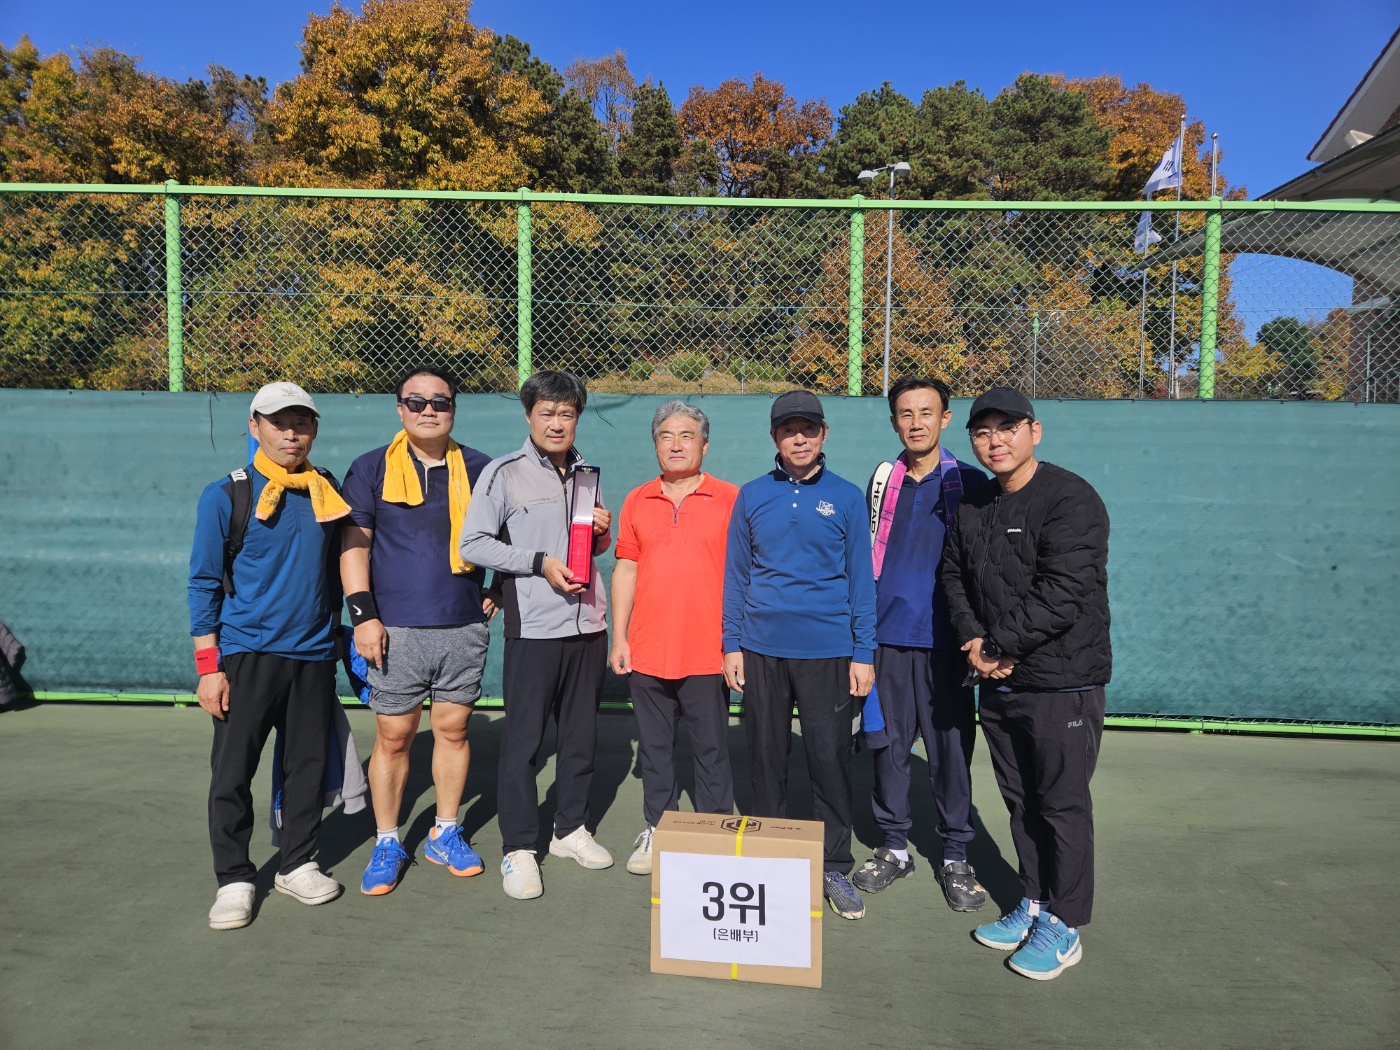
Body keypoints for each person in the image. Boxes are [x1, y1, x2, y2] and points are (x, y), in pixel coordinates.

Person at [941, 386, 1111, 981]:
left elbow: (1064, 590)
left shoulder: (1071, 498)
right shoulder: (973, 503)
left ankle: (1065, 924)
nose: (995, 440)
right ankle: (1035, 899)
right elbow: (954, 576)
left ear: (1033, 432)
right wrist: (975, 642)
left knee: (1061, 803)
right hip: (998, 680)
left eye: (1007, 428)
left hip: (1062, 681)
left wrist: (997, 647)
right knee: (1020, 801)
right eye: (983, 431)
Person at [188, 382, 351, 931]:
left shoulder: (326, 490)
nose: (291, 433)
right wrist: (209, 670)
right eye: (279, 422)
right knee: (232, 772)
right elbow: (203, 584)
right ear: (254, 426)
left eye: (302, 422)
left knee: (306, 768)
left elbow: (334, 572)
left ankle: (297, 862)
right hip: (245, 656)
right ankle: (234, 878)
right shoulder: (225, 495)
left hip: (312, 656)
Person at [339, 365, 497, 896]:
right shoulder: (369, 468)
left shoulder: (481, 469)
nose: (429, 409)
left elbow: (506, 538)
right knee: (394, 736)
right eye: (416, 401)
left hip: (462, 626)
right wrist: (364, 615)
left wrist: (497, 585)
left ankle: (444, 833)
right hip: (393, 630)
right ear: (399, 408)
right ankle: (388, 840)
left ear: (454, 407)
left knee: (453, 731)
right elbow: (354, 546)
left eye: (441, 401)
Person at [722, 389, 877, 920]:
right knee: (766, 758)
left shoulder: (848, 497)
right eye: (789, 429)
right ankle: (770, 856)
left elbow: (862, 579)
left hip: (829, 651)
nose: (800, 438)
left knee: (829, 758)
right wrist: (731, 644)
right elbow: (736, 576)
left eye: (808, 429)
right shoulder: (751, 496)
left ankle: (832, 862)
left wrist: (863, 651)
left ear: (823, 434)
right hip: (761, 650)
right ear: (774, 438)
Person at [458, 370, 613, 900]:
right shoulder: (503, 474)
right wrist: (537, 563)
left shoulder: (588, 474)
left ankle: (569, 829)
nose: (557, 422)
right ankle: (520, 849)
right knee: (523, 742)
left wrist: (602, 535)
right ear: (529, 416)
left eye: (566, 413)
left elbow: (588, 552)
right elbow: (472, 544)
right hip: (535, 629)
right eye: (547, 413)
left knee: (581, 738)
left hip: (588, 625)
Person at [853, 376, 989, 912]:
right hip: (886, 643)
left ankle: (955, 854)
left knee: (950, 753)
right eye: (905, 413)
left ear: (946, 418)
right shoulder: (882, 481)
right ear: (894, 422)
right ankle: (893, 847)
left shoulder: (972, 483)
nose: (916, 422)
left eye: (926, 412)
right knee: (886, 748)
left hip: (946, 648)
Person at [609, 401, 738, 876]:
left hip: (708, 651)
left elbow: (744, 576)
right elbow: (626, 567)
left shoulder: (730, 498)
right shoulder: (637, 499)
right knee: (655, 749)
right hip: (647, 649)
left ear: (704, 444)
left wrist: (734, 644)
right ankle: (658, 828)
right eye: (666, 435)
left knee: (711, 749)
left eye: (687, 435)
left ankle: (714, 832)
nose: (677, 443)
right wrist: (619, 637)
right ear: (655, 444)